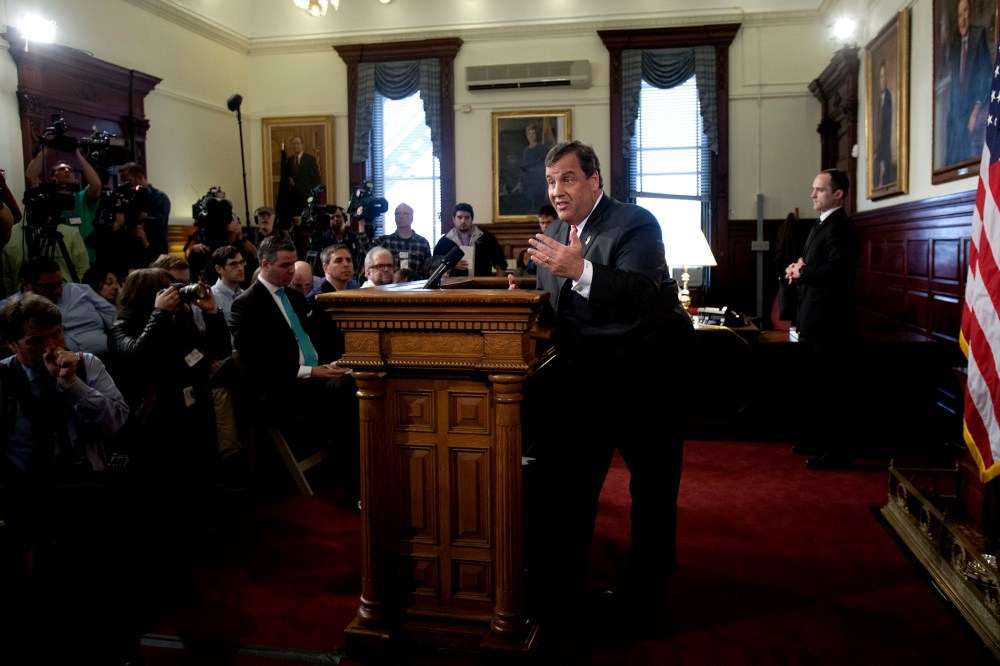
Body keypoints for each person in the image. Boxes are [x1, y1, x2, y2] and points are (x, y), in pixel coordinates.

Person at [509, 140, 693, 614]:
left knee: (651, 488)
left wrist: (582, 269)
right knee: (571, 484)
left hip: (643, 377)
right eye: (551, 182)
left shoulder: (634, 222)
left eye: (567, 179)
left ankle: (647, 584)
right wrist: (522, 300)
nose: (557, 191)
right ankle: (560, 580)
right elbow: (556, 306)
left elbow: (639, 290)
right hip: (582, 380)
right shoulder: (553, 230)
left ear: (594, 180)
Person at [0, 293, 134, 662]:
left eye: (56, 335)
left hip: (87, 489)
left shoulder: (88, 365)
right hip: (27, 495)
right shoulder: (2, 378)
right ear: (12, 343)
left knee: (98, 583)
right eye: (36, 340)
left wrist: (72, 385)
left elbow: (117, 421)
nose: (51, 347)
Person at [228, 236, 359, 501]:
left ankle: (359, 471)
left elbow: (310, 340)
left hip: (310, 377)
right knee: (345, 391)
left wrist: (332, 363)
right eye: (285, 266)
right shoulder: (246, 304)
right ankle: (353, 485)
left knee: (360, 381)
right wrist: (313, 371)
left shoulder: (293, 296)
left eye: (292, 264)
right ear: (265, 265)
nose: (291, 271)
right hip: (278, 387)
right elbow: (259, 364)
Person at [110, 267, 230, 484]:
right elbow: (138, 356)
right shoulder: (123, 326)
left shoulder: (180, 320)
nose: (174, 295)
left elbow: (219, 351)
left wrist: (212, 313)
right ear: (147, 295)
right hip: (158, 419)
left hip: (193, 409)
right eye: (165, 290)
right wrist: (160, 314)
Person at [784, 169, 860, 470]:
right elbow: (815, 264)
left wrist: (804, 272)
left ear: (838, 194)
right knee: (818, 387)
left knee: (834, 391)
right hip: (814, 319)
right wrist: (798, 267)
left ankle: (838, 454)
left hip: (832, 322)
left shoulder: (842, 227)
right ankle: (819, 440)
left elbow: (840, 271)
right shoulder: (821, 225)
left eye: (819, 190)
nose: (813, 195)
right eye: (813, 189)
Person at [8, 257, 116, 358]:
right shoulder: (11, 309)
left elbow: (115, 320)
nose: (58, 290)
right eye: (49, 286)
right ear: (25, 285)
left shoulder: (81, 291)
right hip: (56, 366)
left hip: (107, 357)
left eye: (60, 284)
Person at [24, 140, 102, 257]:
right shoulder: (47, 198)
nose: (66, 171)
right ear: (52, 177)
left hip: (87, 255)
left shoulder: (83, 198)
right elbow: (31, 176)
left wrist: (76, 152)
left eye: (70, 170)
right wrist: (46, 146)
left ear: (75, 178)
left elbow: (96, 184)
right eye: (61, 169)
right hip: (59, 254)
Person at [946, 0, 992, 165]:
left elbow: (987, 75)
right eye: (959, 15)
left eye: (965, 12)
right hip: (958, 114)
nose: (962, 19)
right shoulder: (955, 45)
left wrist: (976, 108)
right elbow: (953, 89)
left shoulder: (978, 36)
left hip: (976, 108)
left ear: (971, 13)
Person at [430, 203, 508, 277]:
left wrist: (498, 286)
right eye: (459, 217)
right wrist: (451, 263)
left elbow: (501, 264)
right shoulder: (445, 241)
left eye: (467, 217)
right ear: (454, 219)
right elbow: (434, 264)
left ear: (472, 219)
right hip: (453, 286)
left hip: (482, 286)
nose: (463, 221)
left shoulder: (486, 238)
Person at [120, 162, 171, 258]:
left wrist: (144, 218)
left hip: (155, 252)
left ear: (139, 177)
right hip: (132, 253)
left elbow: (160, 222)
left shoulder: (159, 197)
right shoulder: (127, 198)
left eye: (128, 181)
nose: (125, 185)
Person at [374, 203, 432, 278]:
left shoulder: (422, 243)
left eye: (405, 214)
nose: (401, 217)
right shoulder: (384, 241)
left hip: (416, 286)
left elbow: (428, 270)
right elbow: (368, 256)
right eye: (398, 214)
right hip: (390, 286)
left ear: (412, 218)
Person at [512, 123, 549, 214]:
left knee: (538, 206)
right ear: (527, 135)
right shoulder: (526, 151)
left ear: (536, 134)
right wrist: (520, 183)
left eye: (533, 133)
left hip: (538, 183)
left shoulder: (542, 148)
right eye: (529, 133)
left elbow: (547, 166)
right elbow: (523, 167)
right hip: (527, 184)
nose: (531, 136)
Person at [285, 136, 321, 217]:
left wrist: (310, 197)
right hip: (294, 200)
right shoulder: (290, 160)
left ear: (302, 145)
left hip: (306, 199)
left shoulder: (310, 159)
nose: (296, 146)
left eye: (298, 143)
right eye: (294, 144)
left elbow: (316, 181)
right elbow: (288, 176)